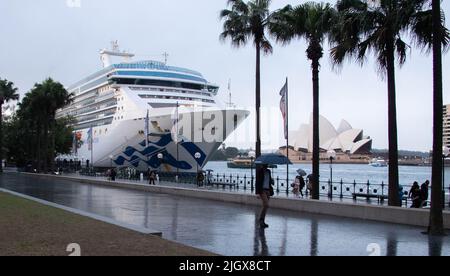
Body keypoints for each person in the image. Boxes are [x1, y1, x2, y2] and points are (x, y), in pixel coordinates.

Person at [256, 164, 273, 228]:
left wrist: (271, 181)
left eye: (267, 165)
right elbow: (257, 182)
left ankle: (262, 221)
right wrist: (257, 193)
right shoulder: (260, 171)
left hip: (268, 190)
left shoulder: (269, 171)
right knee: (266, 205)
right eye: (265, 165)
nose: (266, 165)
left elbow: (268, 180)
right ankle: (261, 220)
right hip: (262, 190)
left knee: (265, 206)